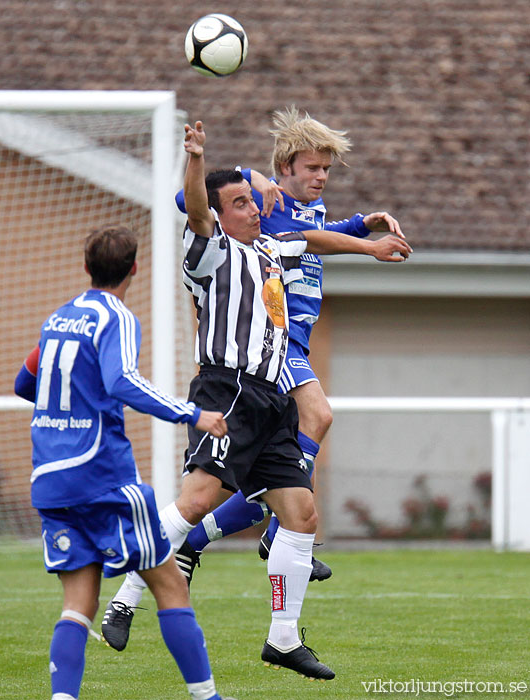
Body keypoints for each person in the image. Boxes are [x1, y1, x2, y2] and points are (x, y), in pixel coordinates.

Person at [102, 121, 412, 680]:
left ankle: (284, 639)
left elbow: (315, 238)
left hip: (272, 398)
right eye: (242, 203)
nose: (253, 207)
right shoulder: (210, 250)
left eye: (253, 201)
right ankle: (125, 594)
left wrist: (367, 240)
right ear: (221, 216)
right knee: (196, 500)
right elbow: (194, 205)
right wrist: (202, 161)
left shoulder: (272, 244)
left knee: (302, 513)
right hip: (232, 391)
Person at [171, 106, 407, 581]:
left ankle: (198, 542)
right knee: (318, 415)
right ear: (284, 169)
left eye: (326, 168)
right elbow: (186, 199)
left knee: (273, 491)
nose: (321, 177)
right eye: (312, 168)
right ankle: (276, 531)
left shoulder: (306, 212)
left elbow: (317, 233)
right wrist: (250, 175)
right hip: (270, 349)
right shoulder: (267, 206)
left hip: (291, 343)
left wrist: (364, 222)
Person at [14, 225, 236, 700]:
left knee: (78, 604)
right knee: (171, 586)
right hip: (102, 477)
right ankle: (208, 698)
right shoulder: (116, 317)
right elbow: (122, 382)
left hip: (50, 480)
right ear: (135, 267)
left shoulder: (57, 319)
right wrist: (192, 412)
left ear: (86, 265)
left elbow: (23, 383)